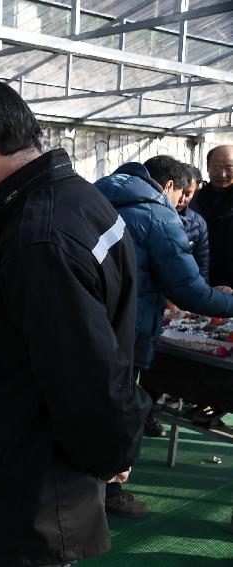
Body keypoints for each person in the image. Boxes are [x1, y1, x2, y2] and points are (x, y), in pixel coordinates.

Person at [0, 78, 150, 567]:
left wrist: (114, 450)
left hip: (31, 493)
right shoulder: (75, 198)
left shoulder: (37, 238)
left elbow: (87, 378)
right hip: (38, 482)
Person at [95, 155, 233, 514]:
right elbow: (189, 290)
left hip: (87, 324)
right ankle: (109, 492)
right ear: (168, 186)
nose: (182, 204)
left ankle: (84, 488)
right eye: (181, 194)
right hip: (130, 329)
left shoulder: (93, 198)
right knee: (120, 411)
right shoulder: (157, 214)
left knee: (88, 405)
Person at [192, 145, 233, 287]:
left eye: (229, 168)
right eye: (216, 168)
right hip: (200, 279)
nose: (222, 174)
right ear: (207, 168)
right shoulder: (193, 200)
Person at [177, 164, 209, 282]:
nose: (181, 199)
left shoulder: (197, 222)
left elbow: (202, 265)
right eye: (179, 191)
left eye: (188, 194)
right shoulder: (151, 217)